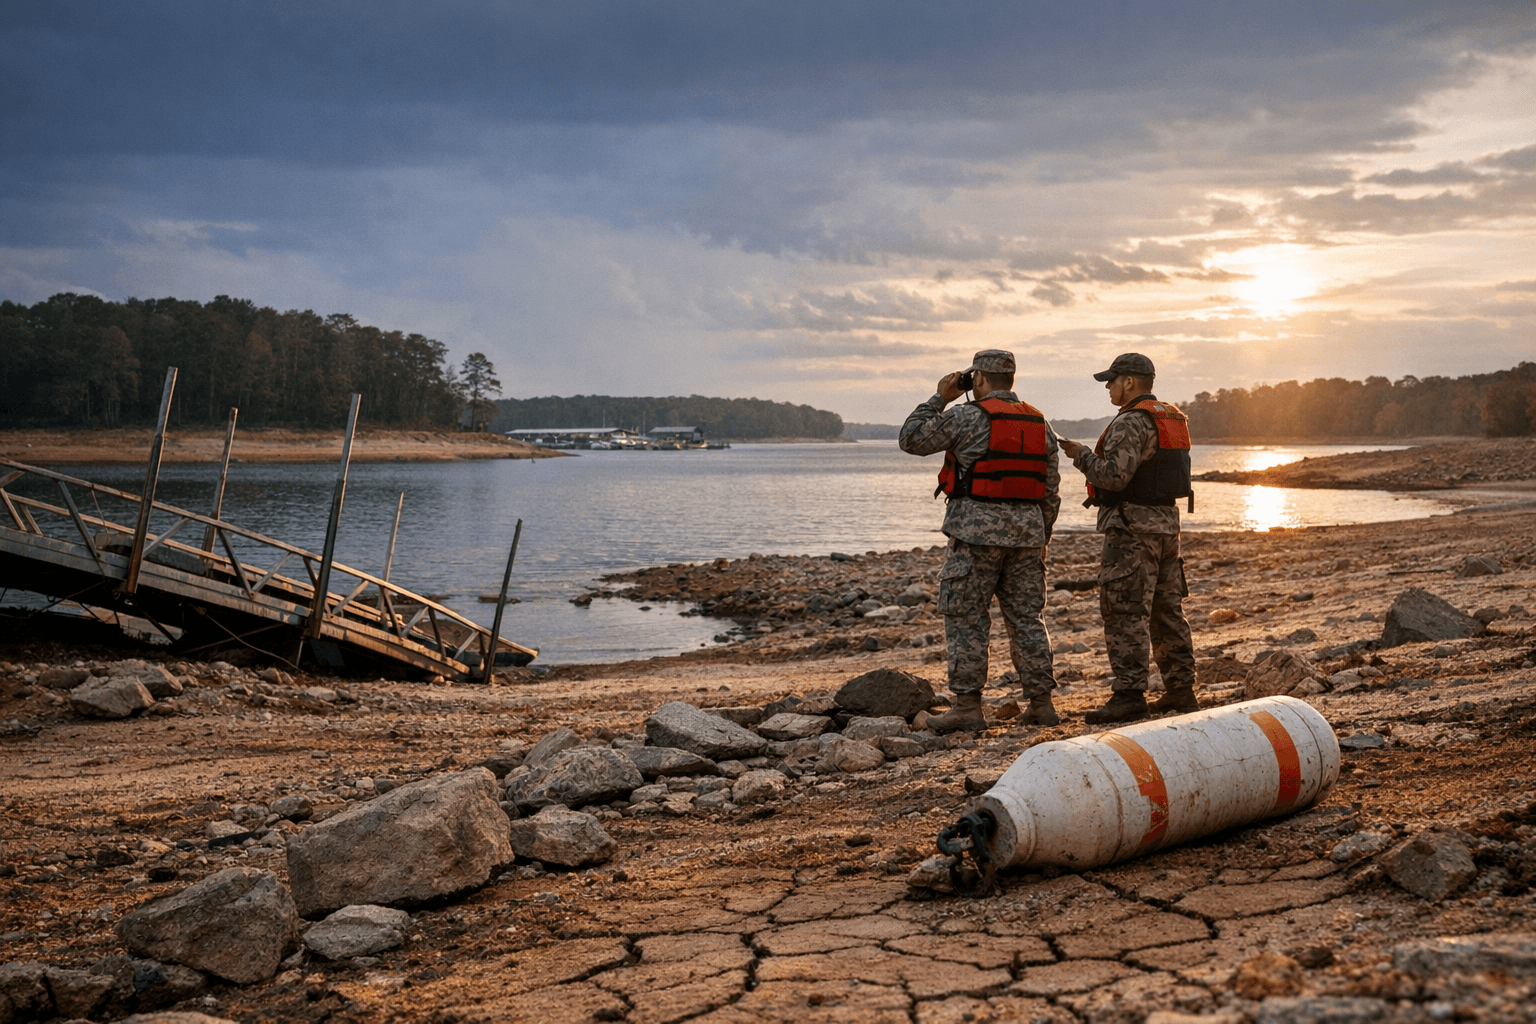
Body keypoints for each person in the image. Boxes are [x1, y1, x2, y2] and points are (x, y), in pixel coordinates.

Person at [899, 349, 1061, 733]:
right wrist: (1043, 535)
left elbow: (910, 439)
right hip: (1026, 538)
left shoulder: (965, 417)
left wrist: (940, 397)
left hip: (974, 536)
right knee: (1027, 620)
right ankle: (1041, 704)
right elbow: (1050, 490)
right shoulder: (1041, 423)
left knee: (967, 618)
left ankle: (969, 707)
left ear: (979, 380)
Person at [1057, 352, 1197, 725]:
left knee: (1125, 612)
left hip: (1132, 529)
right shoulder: (1171, 417)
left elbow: (1114, 477)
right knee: (1167, 611)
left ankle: (1130, 694)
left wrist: (1080, 455)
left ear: (1130, 382)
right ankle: (1181, 690)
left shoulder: (1131, 422)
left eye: (1112, 380)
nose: (1108, 386)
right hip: (1168, 525)